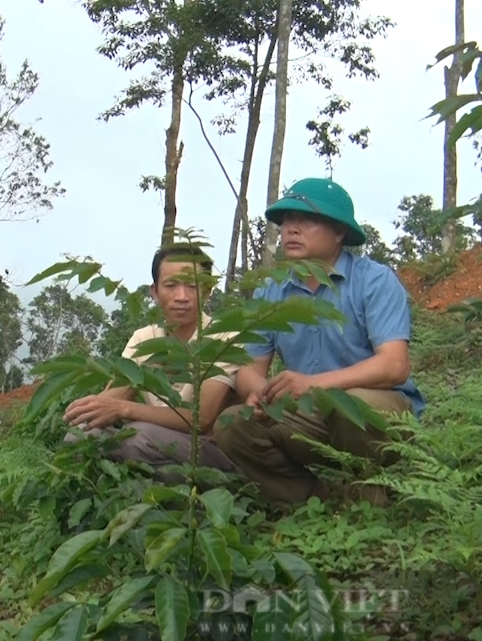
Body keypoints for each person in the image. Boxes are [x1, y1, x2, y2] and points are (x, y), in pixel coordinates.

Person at [217, 177, 425, 505]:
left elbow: (395, 365)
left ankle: (371, 495)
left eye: (307, 220)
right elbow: (247, 368)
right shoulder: (270, 292)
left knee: (348, 403)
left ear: (339, 232)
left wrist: (315, 385)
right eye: (286, 221)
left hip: (380, 417)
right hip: (309, 415)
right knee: (233, 423)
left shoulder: (373, 281)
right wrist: (259, 393)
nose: (291, 229)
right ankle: (317, 499)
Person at [62, 244, 241, 482]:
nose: (181, 297)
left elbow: (202, 419)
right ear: (155, 292)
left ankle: (195, 497)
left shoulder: (224, 337)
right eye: (171, 285)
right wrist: (90, 410)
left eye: (192, 286)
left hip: (209, 450)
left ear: (208, 291)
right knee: (79, 436)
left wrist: (126, 410)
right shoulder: (144, 338)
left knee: (138, 439)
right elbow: (116, 395)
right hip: (155, 442)